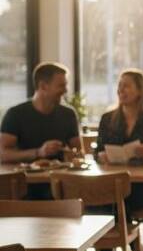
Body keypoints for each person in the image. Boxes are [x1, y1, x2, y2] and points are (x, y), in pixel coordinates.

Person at [0, 62, 82, 198]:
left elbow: (79, 153)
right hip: (25, 188)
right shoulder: (15, 114)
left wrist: (69, 153)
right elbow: (3, 154)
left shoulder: (68, 114)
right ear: (43, 86)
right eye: (61, 85)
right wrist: (38, 152)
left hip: (62, 187)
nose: (66, 90)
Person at [95, 69, 143, 214]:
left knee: (120, 201)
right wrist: (101, 156)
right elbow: (96, 152)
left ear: (140, 91)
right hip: (113, 181)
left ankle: (124, 234)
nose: (120, 90)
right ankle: (122, 235)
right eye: (119, 85)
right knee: (100, 199)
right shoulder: (107, 119)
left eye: (126, 86)